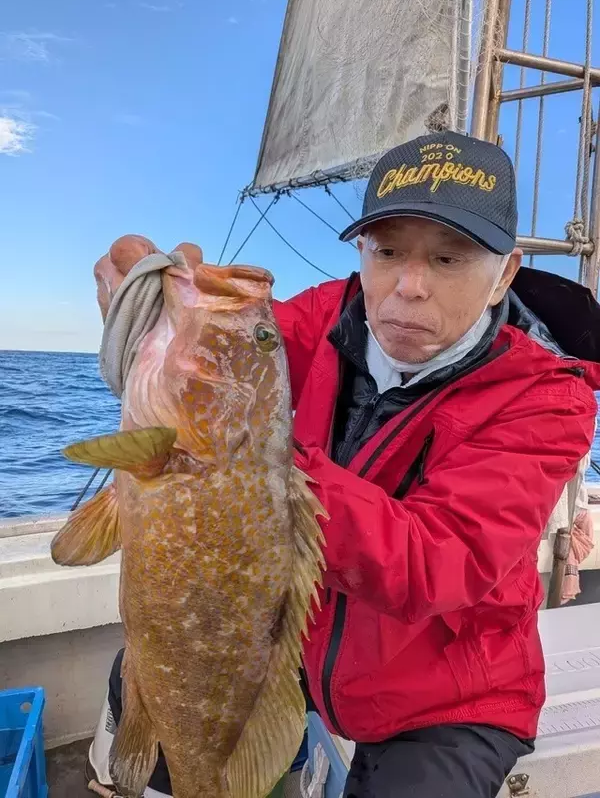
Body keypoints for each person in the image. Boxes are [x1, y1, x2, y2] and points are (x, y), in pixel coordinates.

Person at [86, 130, 600, 798]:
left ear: (506, 270)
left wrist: (245, 459)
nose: (409, 286)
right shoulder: (325, 316)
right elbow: (220, 361)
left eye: (449, 258)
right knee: (150, 676)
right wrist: (145, 331)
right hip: (304, 640)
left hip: (451, 691)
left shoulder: (547, 397)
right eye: (387, 251)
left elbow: (435, 558)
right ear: (362, 251)